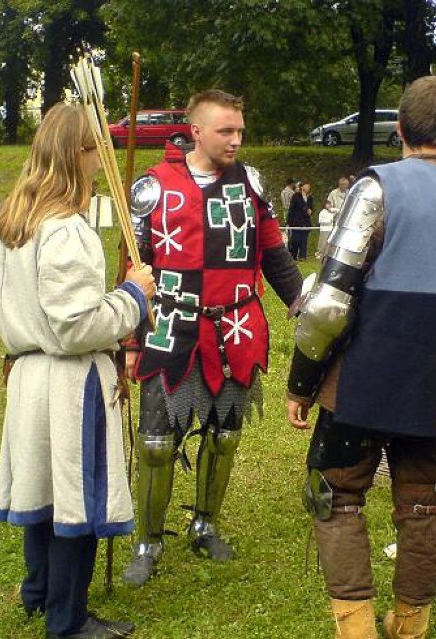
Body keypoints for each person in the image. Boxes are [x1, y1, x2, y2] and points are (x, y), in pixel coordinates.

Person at [286, 75, 436, 638]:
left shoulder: (377, 188)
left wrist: (301, 382)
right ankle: (410, 624)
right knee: (424, 503)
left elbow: (329, 303)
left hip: (364, 379)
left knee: (335, 493)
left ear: (402, 131)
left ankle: (357, 627)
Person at [121, 89, 302, 587]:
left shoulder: (248, 185)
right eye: (226, 131)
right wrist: (130, 338)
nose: (236, 141)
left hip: (234, 328)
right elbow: (132, 267)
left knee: (225, 436)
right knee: (157, 443)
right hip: (172, 326)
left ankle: (205, 523)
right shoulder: (154, 187)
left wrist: (298, 301)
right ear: (196, 131)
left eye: (240, 131)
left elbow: (273, 252)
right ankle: (148, 542)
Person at [0, 103, 155, 639]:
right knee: (75, 498)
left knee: (43, 491)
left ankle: (40, 593)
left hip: (30, 376)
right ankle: (67, 620)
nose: (100, 163)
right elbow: (77, 327)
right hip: (66, 381)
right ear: (78, 154)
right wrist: (134, 296)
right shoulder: (65, 230)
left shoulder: (15, 220)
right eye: (95, 151)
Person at [287, 181, 313, 260]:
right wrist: (289, 222)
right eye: (306, 186)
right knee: (296, 239)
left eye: (308, 186)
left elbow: (311, 208)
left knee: (304, 240)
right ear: (302, 187)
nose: (307, 188)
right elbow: (291, 209)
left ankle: (302, 256)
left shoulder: (310, 197)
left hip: (306, 221)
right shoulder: (296, 196)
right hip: (296, 221)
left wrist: (311, 211)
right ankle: (293, 255)